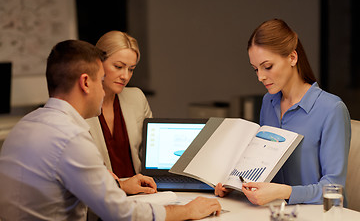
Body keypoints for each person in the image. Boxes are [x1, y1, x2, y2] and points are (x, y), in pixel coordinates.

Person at [0, 40, 221, 220]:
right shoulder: (71, 138)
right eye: (101, 80)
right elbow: (121, 214)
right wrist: (188, 210)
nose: (105, 90)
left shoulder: (25, 125)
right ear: (86, 83)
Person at [215, 19, 351, 205]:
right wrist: (235, 185)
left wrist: (284, 192)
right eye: (255, 69)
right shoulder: (268, 102)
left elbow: (335, 189)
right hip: (276, 212)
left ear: (292, 58)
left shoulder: (331, 109)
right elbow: (264, 166)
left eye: (267, 66)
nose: (260, 77)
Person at [86, 31, 151, 179]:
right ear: (98, 62)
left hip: (140, 192)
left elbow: (149, 155)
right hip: (102, 194)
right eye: (118, 66)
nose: (125, 76)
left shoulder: (136, 98)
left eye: (131, 69)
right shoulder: (81, 105)